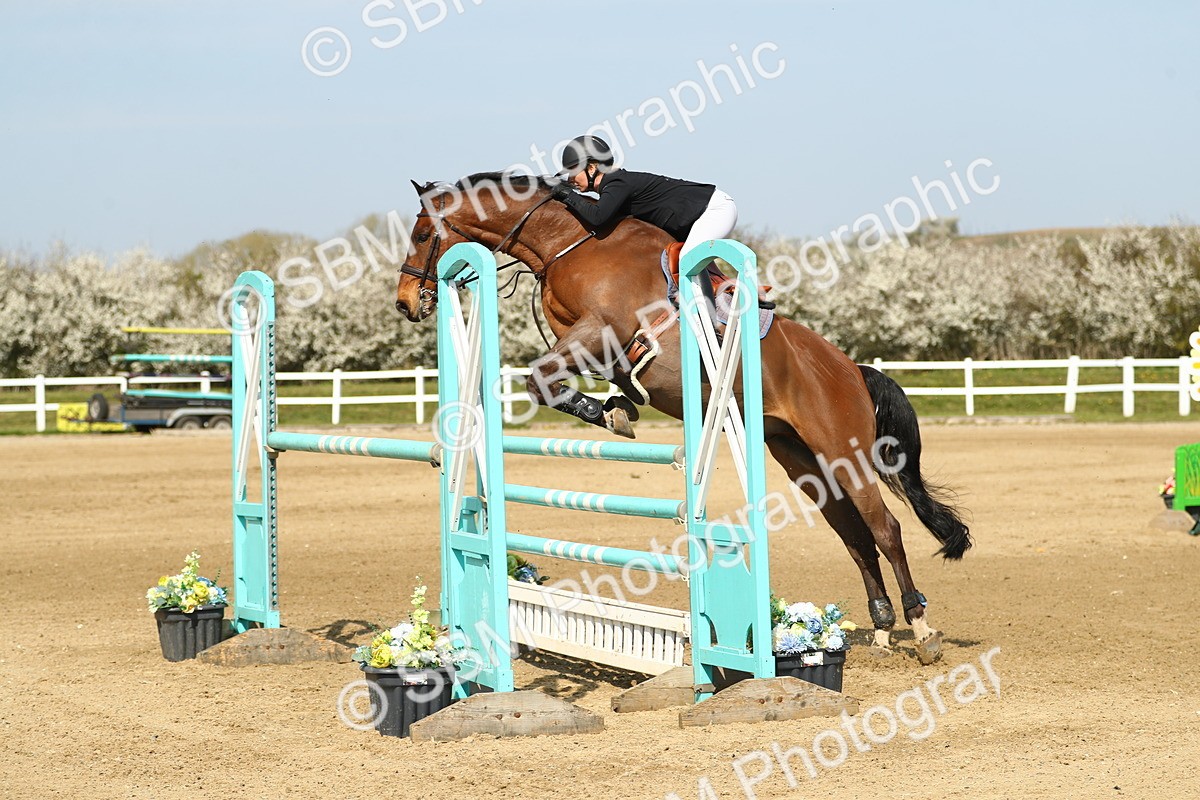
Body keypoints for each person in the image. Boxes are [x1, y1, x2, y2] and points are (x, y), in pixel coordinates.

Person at [549, 135, 737, 256]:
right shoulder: (614, 186)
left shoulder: (617, 182)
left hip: (714, 211)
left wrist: (566, 195)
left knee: (687, 260)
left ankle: (703, 316)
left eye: (573, 171)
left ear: (592, 167)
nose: (570, 178)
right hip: (704, 214)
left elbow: (597, 217)